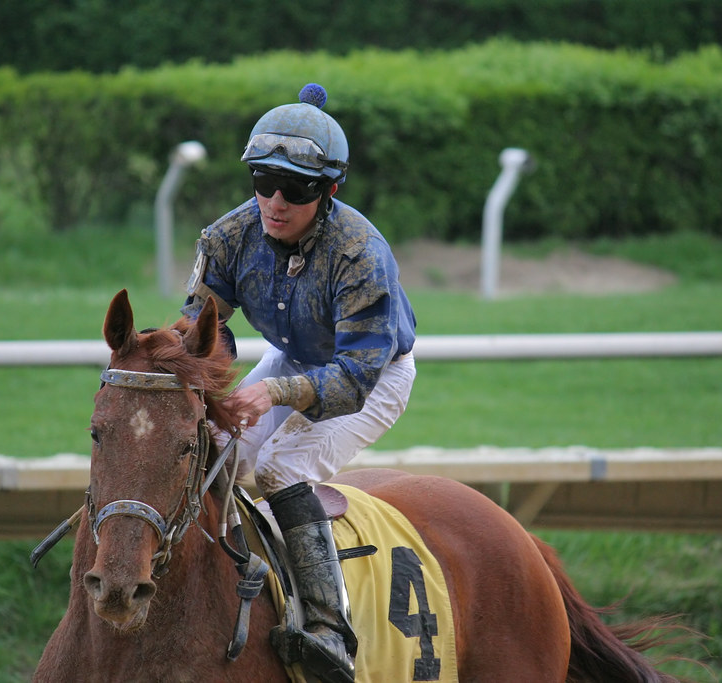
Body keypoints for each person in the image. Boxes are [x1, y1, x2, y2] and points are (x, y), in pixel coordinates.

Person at [181, 83, 416, 683]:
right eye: (264, 182)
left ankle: (327, 623)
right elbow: (202, 332)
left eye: (298, 189)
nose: (276, 202)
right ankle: (207, 588)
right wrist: (195, 375)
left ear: (330, 190)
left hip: (374, 376)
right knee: (221, 452)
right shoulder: (226, 238)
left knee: (282, 468)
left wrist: (274, 393)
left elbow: (355, 376)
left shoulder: (361, 253)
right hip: (292, 357)